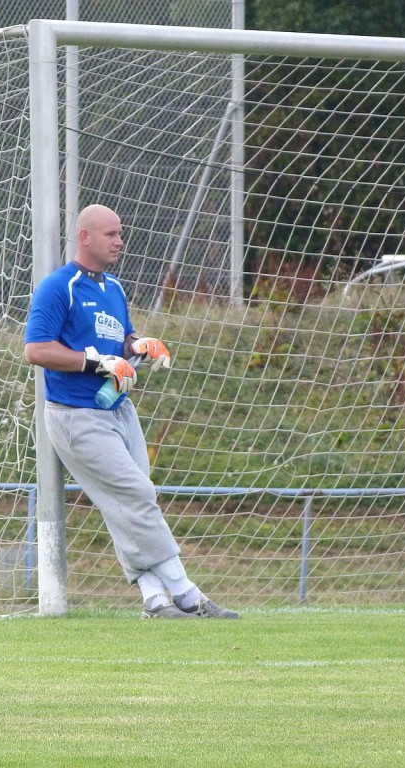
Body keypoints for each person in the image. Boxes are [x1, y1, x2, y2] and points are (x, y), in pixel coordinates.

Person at [24, 203, 240, 619]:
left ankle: (153, 600)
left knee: (125, 503)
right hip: (76, 415)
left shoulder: (115, 289)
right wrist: (97, 362)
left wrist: (139, 346)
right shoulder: (59, 287)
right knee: (136, 496)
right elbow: (36, 349)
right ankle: (187, 594)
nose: (120, 241)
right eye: (111, 234)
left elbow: (122, 339)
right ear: (84, 237)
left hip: (119, 410)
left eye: (120, 233)